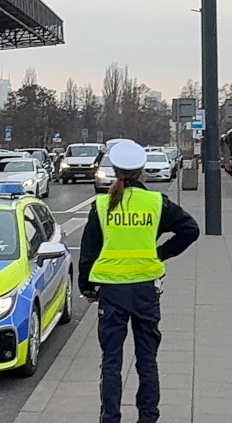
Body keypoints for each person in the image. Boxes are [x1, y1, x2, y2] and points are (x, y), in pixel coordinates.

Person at [77, 140, 200, 423]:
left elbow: (89, 251)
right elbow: (190, 230)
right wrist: (158, 254)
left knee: (111, 361)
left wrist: (86, 286)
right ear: (142, 171)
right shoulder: (156, 203)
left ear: (116, 170)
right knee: (147, 359)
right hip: (145, 291)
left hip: (111, 293)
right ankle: (148, 416)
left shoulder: (102, 205)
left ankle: (110, 417)